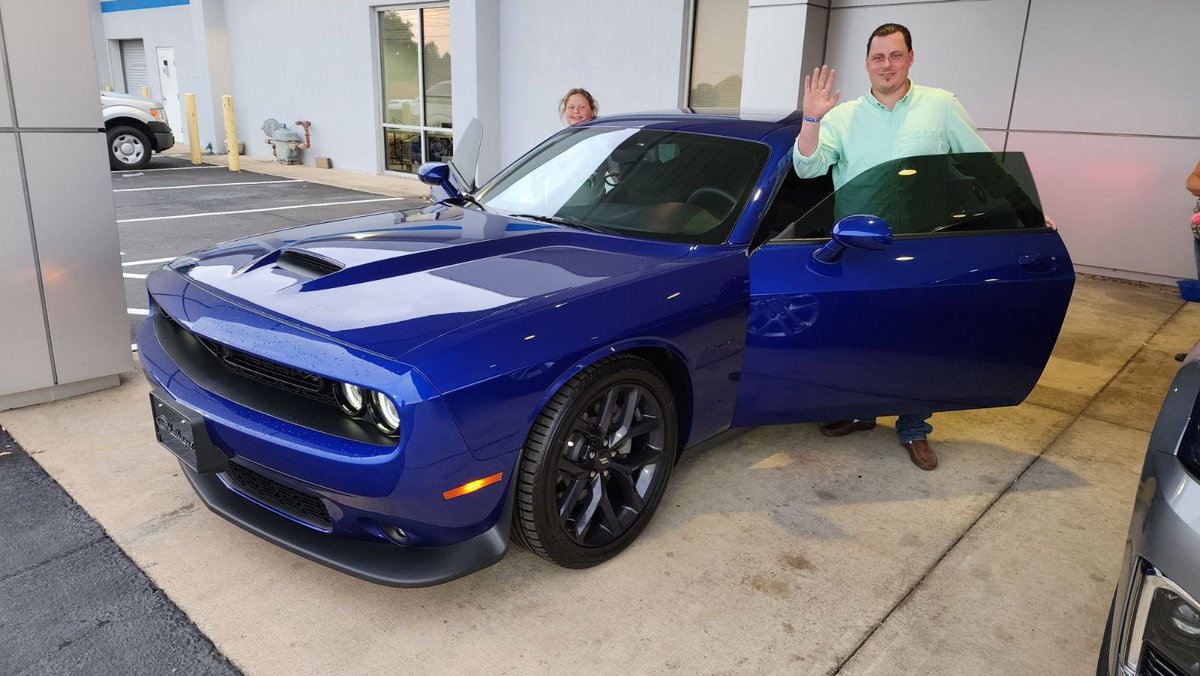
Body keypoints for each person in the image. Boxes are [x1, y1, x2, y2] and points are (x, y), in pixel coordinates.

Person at [791, 23, 992, 471]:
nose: (887, 65)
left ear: (911, 58)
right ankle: (860, 409)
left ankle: (915, 426)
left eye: (895, 55)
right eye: (878, 57)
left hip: (923, 247)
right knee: (862, 335)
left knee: (919, 339)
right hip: (860, 248)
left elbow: (980, 163)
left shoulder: (941, 105)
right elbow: (807, 168)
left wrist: (1027, 211)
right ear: (867, 63)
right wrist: (811, 118)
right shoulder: (841, 117)